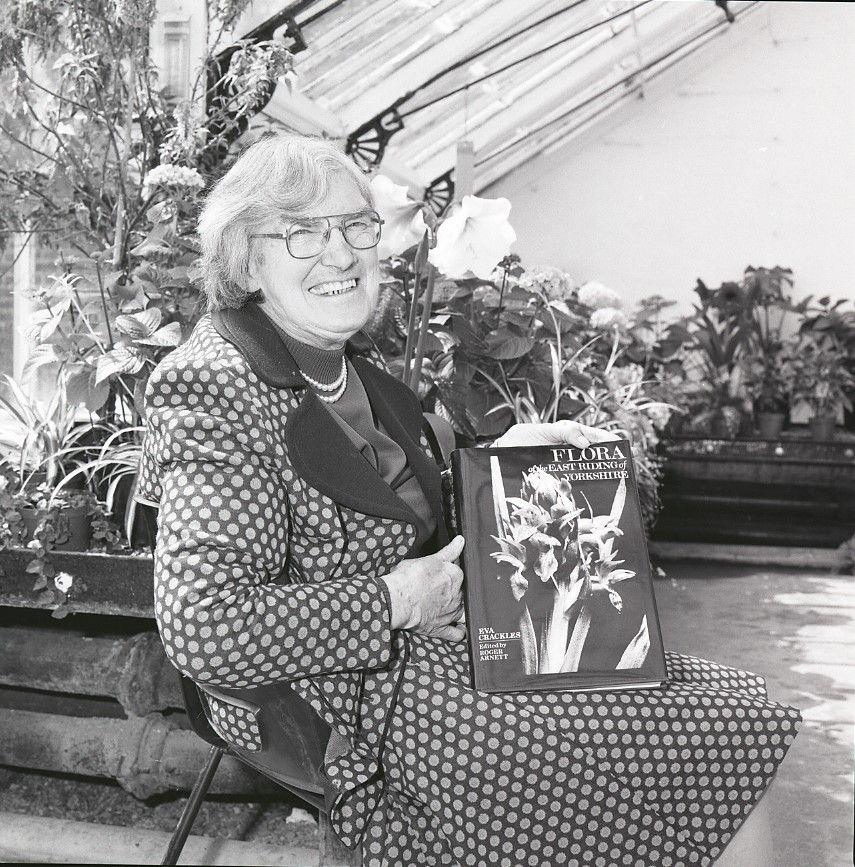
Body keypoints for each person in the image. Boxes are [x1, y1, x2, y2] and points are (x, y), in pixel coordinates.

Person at [136, 132, 799, 866]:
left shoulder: (357, 376)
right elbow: (202, 623)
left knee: (728, 716)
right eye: (299, 234)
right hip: (332, 700)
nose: (340, 253)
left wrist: (504, 463)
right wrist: (394, 600)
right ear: (244, 256)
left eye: (356, 226)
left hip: (422, 661)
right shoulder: (215, 382)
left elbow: (396, 516)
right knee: (712, 730)